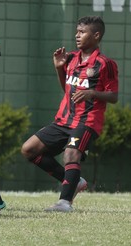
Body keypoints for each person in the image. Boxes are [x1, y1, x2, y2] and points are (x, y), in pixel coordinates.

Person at [21, 16, 118, 212]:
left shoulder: (104, 63)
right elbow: (67, 88)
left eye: (83, 32)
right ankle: (75, 181)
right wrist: (59, 68)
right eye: (77, 31)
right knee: (28, 149)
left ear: (96, 35)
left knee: (71, 153)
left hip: (87, 122)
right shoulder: (71, 58)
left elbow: (113, 96)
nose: (77, 35)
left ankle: (65, 202)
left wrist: (92, 93)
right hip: (64, 120)